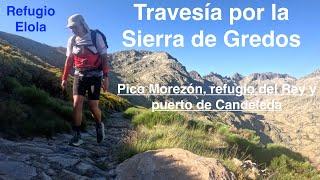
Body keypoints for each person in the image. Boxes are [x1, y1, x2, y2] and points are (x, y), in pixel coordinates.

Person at [61, 14, 110, 146]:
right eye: (71, 28)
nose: (73, 30)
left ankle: (99, 124)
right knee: (76, 104)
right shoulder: (72, 40)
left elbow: (104, 57)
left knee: (93, 106)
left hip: (95, 76)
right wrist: (64, 78)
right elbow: (69, 60)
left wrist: (106, 77)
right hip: (79, 75)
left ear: (82, 24)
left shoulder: (95, 36)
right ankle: (77, 136)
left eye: (74, 27)